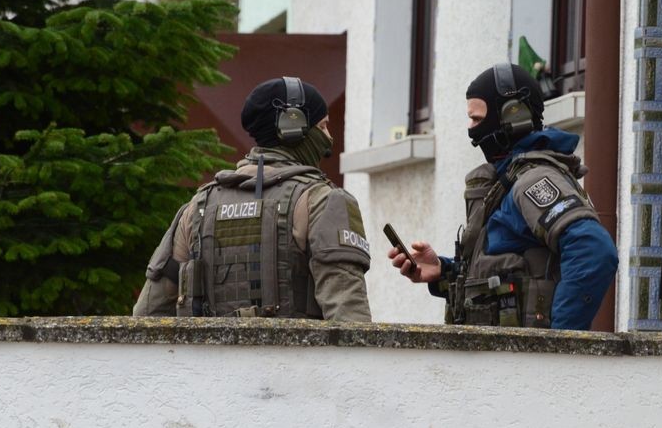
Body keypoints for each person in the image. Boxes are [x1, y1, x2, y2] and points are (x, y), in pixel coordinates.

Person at [388, 63, 618, 330]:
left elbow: (594, 251)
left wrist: (560, 346)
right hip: (501, 365)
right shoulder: (507, 181)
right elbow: (506, 275)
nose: (472, 130)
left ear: (512, 116)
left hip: (526, 367)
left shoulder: (534, 180)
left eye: (476, 119)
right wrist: (444, 270)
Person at [133, 76, 373, 321]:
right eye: (322, 126)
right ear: (293, 129)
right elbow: (349, 316)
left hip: (211, 359)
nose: (329, 138)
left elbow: (148, 314)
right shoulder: (323, 201)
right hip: (294, 359)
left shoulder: (198, 206)